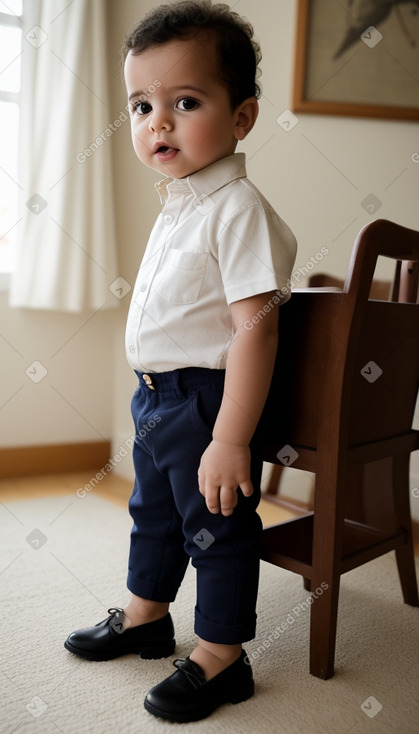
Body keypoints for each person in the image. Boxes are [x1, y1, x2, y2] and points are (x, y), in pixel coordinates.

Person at [64, 0, 297, 723]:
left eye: (184, 101)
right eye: (140, 105)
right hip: (156, 397)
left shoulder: (237, 207)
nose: (156, 122)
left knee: (217, 525)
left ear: (242, 117)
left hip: (204, 401)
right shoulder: (180, 209)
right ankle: (146, 614)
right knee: (154, 514)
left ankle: (222, 656)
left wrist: (229, 438)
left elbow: (254, 328)